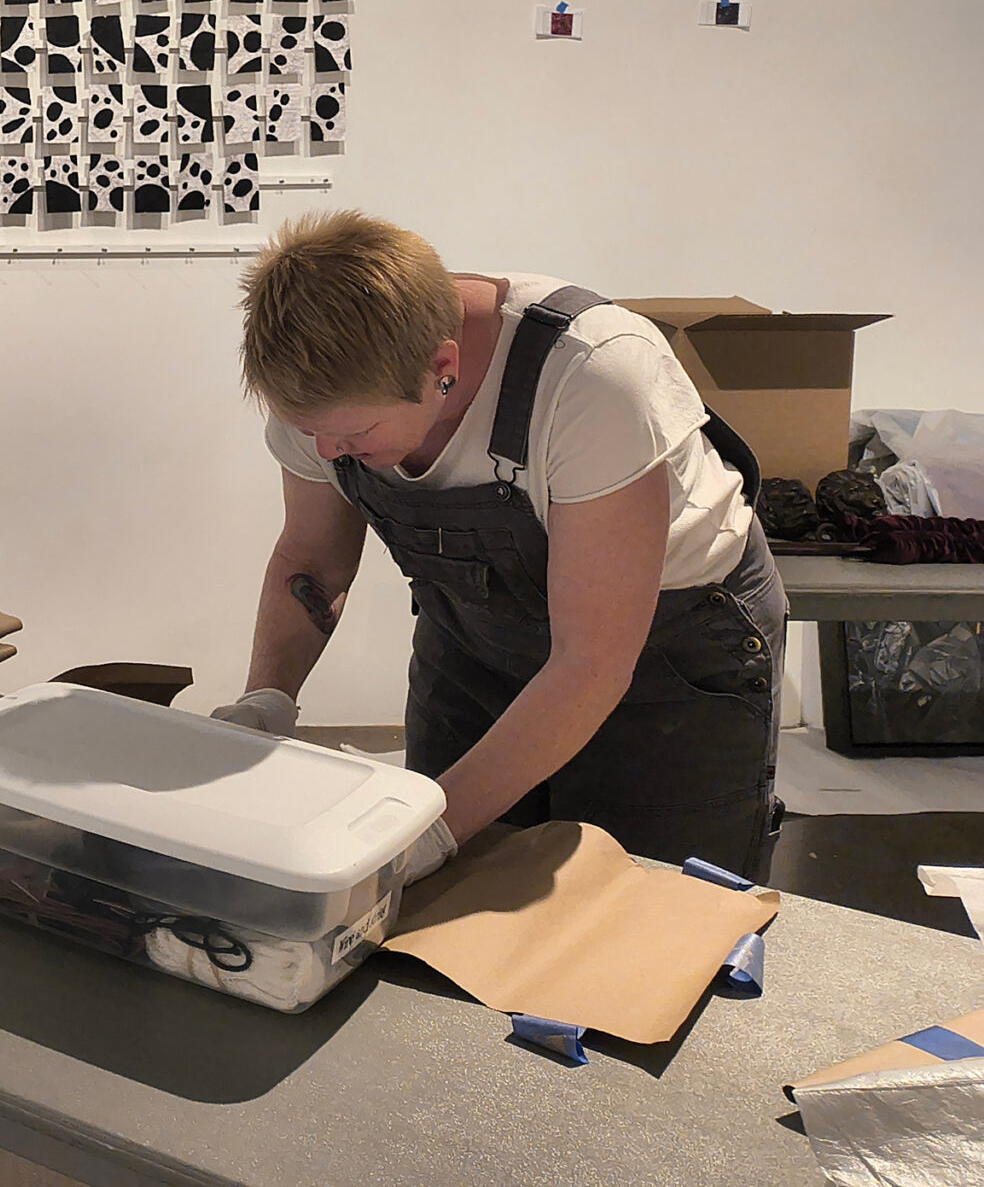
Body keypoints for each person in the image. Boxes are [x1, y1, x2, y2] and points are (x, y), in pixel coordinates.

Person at [218, 212, 785, 881]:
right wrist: (268, 698)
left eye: (353, 436)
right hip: (475, 636)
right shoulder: (324, 406)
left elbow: (591, 662)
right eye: (306, 430)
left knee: (640, 905)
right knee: (450, 902)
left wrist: (430, 830)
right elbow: (312, 559)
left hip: (673, 651)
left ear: (443, 368)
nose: (326, 453)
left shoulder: (594, 381)